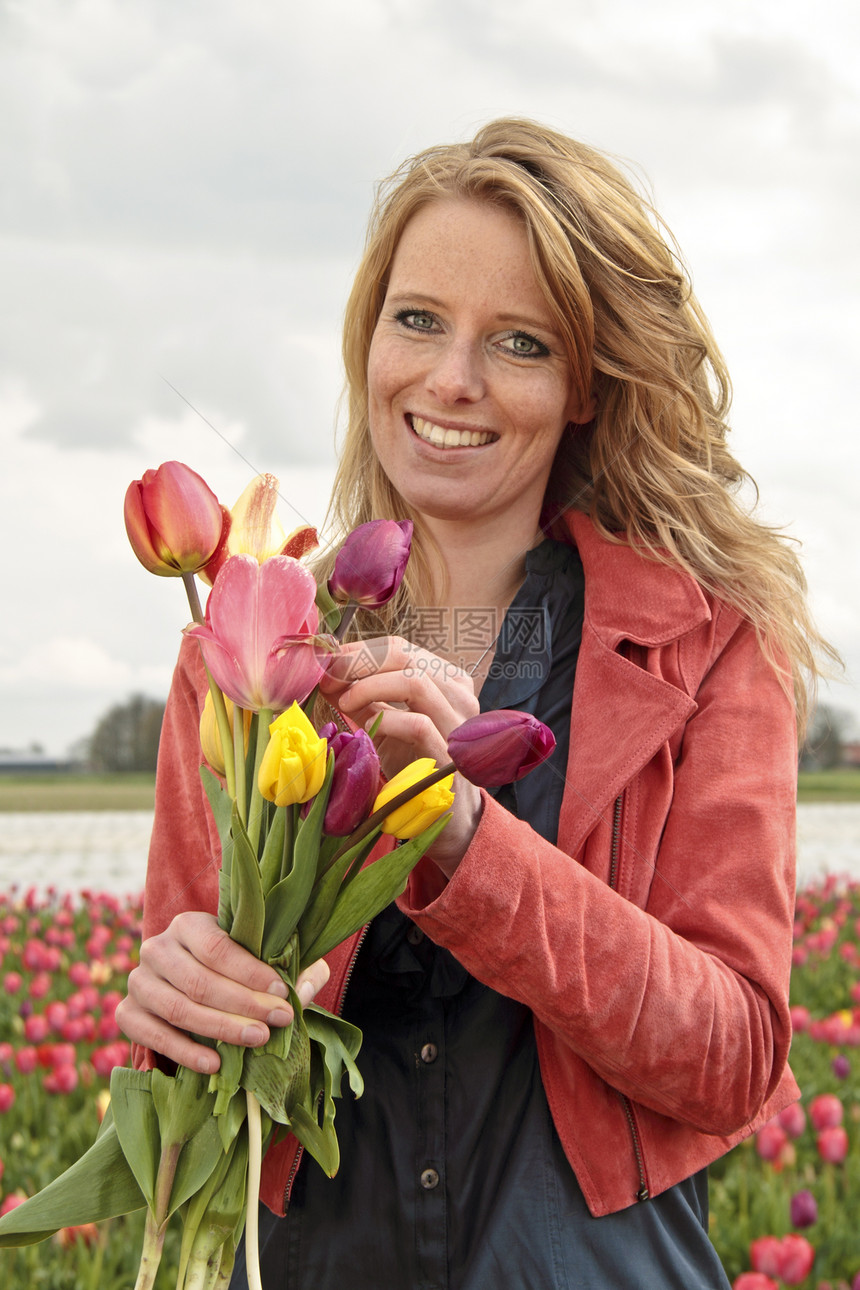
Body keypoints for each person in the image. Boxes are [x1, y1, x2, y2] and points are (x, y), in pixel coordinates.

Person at [118, 119, 833, 1288]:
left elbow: (733, 1059)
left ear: (585, 384)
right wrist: (173, 1003)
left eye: (516, 341)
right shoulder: (251, 642)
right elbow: (199, 1062)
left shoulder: (703, 649)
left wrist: (462, 837)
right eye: (417, 320)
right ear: (367, 339)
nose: (450, 381)